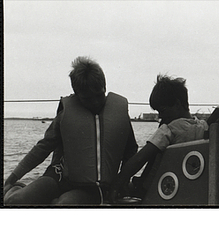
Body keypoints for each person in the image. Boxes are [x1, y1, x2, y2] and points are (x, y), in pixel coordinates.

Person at [4, 56, 138, 206]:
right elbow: (42, 148)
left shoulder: (118, 113)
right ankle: (17, 188)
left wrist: (122, 181)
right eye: (87, 99)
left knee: (62, 205)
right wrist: (12, 178)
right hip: (59, 176)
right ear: (76, 94)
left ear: (104, 88)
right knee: (14, 201)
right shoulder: (66, 113)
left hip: (91, 187)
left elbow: (131, 149)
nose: (95, 102)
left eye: (99, 96)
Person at [109, 74, 209, 203]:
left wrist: (116, 184)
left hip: (159, 189)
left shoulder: (169, 130)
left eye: (163, 110)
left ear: (177, 104)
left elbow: (140, 159)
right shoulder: (204, 126)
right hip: (190, 189)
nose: (161, 116)